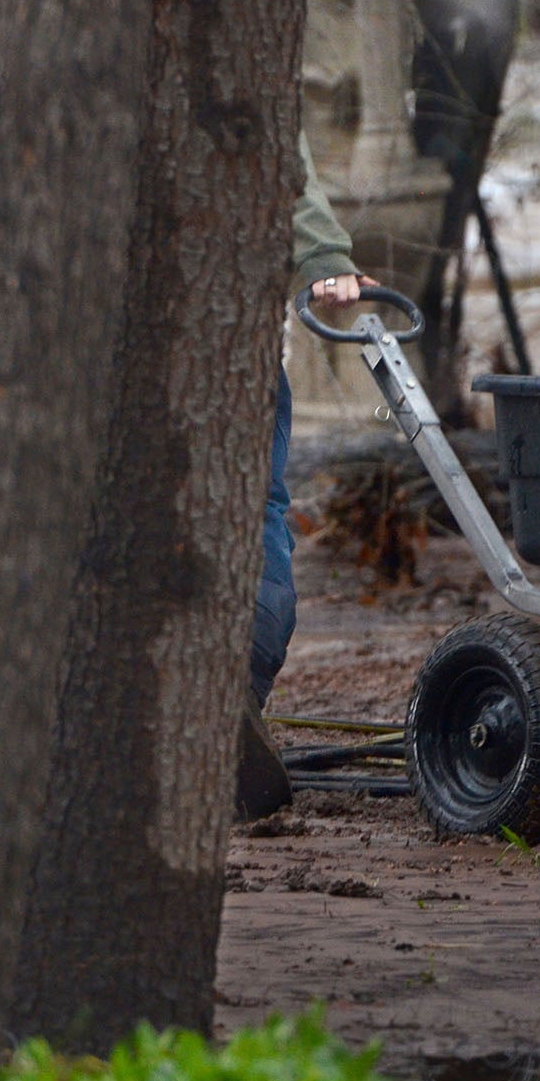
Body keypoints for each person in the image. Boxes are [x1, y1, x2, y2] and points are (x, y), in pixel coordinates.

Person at [237, 135, 378, 821]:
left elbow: (273, 137)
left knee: (257, 517)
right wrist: (321, 253)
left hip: (230, 343)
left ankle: (230, 720)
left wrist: (321, 255)